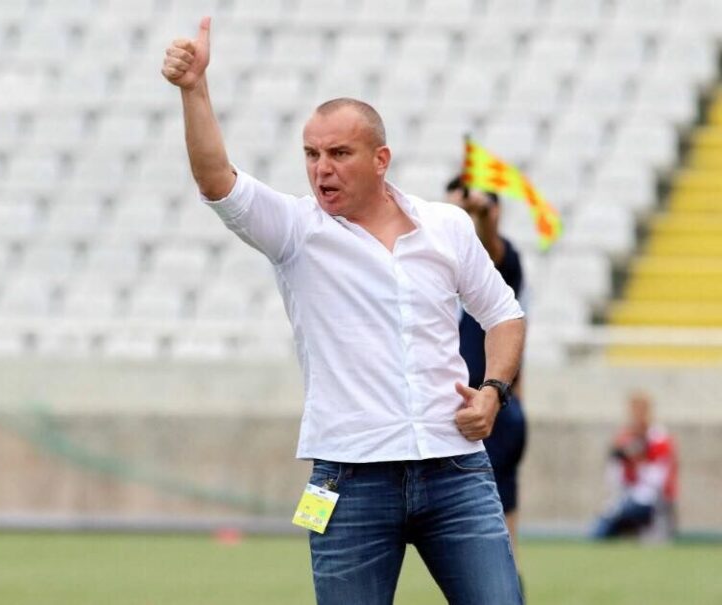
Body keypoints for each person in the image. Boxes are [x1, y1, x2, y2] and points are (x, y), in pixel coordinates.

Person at [162, 17, 527, 604]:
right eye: (311, 154)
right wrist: (194, 89)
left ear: (381, 158)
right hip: (349, 479)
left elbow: (504, 314)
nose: (321, 168)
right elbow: (215, 180)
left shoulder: (447, 226)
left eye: (338, 153)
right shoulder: (295, 230)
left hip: (455, 469)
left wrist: (494, 392)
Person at [445, 178, 528, 554]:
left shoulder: (499, 266)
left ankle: (506, 580)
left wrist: (481, 217)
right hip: (450, 409)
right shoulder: (435, 265)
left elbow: (489, 251)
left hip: (491, 405)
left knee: (496, 523)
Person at [592, 391, 678, 541]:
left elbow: (658, 479)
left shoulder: (658, 438)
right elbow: (614, 474)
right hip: (626, 497)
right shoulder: (625, 438)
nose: (637, 415)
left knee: (635, 510)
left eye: (641, 410)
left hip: (650, 499)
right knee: (600, 531)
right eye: (634, 410)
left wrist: (638, 463)